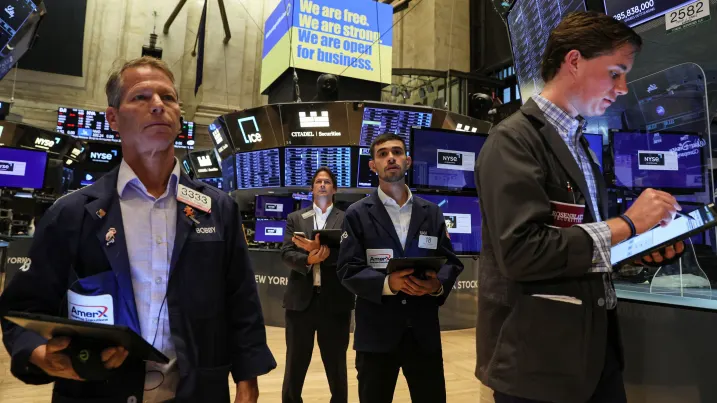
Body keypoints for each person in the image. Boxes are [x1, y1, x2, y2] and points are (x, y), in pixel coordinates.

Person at [0, 56, 276, 402]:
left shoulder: (217, 209)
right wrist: (40, 353)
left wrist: (247, 380)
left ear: (179, 117)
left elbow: (241, 301)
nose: (158, 106)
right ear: (113, 118)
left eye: (168, 98)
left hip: (197, 391)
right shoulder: (71, 214)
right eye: (141, 98)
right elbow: (22, 309)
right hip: (97, 391)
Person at [475, 11, 685, 403]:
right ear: (574, 61)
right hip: (538, 362)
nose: (623, 87)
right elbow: (522, 253)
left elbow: (580, 247)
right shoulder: (513, 141)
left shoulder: (579, 144)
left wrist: (639, 248)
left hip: (593, 355)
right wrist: (626, 224)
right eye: (615, 72)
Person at [337, 134, 464, 403]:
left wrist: (436, 285)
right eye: (383, 154)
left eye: (396, 152)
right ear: (373, 166)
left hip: (423, 333)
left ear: (408, 161)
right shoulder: (357, 214)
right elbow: (348, 268)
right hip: (377, 335)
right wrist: (387, 284)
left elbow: (451, 261)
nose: (390, 157)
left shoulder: (431, 212)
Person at [280, 167, 355, 403]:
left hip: (335, 303)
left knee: (336, 364)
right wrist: (309, 260)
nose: (322, 185)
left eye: (327, 182)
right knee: (295, 362)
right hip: (300, 303)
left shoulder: (347, 218)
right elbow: (286, 253)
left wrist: (321, 253)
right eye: (318, 182)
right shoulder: (296, 218)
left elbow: (351, 255)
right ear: (312, 188)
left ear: (334, 189)